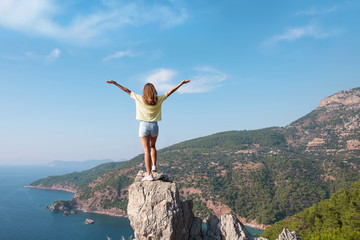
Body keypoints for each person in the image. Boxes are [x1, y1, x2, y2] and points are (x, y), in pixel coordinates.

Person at [106, 79, 190, 181]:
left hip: (143, 126)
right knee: (153, 146)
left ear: (144, 91)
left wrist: (115, 83)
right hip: (154, 126)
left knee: (146, 150)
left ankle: (149, 174)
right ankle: (154, 166)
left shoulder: (139, 98)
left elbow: (126, 90)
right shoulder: (159, 99)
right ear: (154, 91)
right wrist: (181, 84)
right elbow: (171, 92)